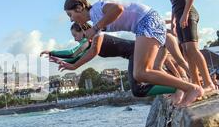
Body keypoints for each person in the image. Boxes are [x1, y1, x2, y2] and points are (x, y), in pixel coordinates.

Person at [63, 0, 204, 107]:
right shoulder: (95, 21)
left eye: (70, 15)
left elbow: (118, 9)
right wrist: (74, 65)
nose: (71, 20)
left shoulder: (98, 8)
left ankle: (191, 88)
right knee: (141, 74)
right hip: (143, 25)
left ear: (80, 7)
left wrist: (95, 28)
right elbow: (94, 51)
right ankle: (185, 87)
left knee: (142, 72)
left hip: (148, 21)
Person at [41, 23, 184, 103]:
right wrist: (59, 60)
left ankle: (177, 88)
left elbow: (72, 53)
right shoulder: (89, 43)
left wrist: (52, 52)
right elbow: (74, 58)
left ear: (83, 30)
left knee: (138, 89)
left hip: (136, 52)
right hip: (134, 53)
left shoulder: (91, 38)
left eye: (75, 35)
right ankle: (177, 86)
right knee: (140, 87)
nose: (76, 39)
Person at [150, 0, 216, 92]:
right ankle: (196, 83)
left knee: (192, 49)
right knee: (186, 52)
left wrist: (185, 15)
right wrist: (173, 21)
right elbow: (174, 4)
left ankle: (209, 83)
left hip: (189, 15)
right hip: (180, 18)